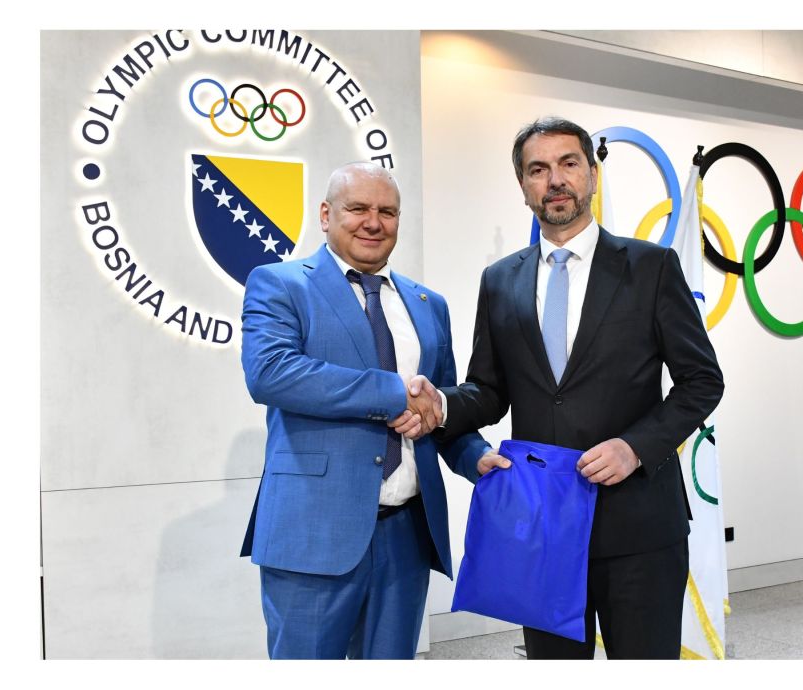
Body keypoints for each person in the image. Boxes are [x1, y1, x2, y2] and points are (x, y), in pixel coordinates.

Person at [430, 117, 725, 659]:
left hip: (639, 524)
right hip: (542, 527)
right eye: (538, 169)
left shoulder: (651, 267)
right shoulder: (500, 280)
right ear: (523, 186)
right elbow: (490, 390)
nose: (555, 180)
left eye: (568, 164)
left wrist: (636, 447)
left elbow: (702, 381)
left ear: (592, 174)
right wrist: (442, 405)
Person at [238, 162, 506, 659]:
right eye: (358, 208)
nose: (373, 222)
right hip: (313, 533)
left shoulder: (428, 303)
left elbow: (438, 405)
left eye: (387, 212)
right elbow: (271, 372)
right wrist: (392, 393)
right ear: (326, 214)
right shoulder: (280, 284)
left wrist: (475, 457)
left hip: (407, 535)